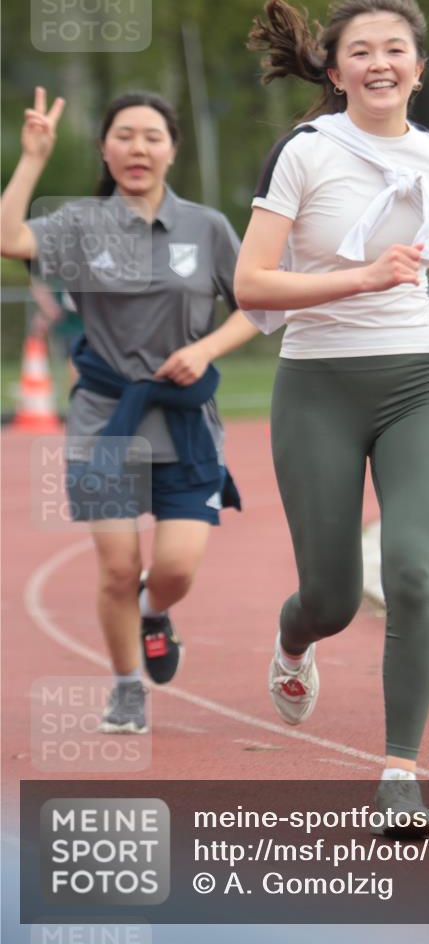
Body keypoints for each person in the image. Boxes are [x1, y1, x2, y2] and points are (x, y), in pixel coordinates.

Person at [235, 0, 429, 834]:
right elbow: (251, 285)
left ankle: (400, 769)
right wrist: (356, 276)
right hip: (316, 386)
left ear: (418, 70)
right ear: (334, 67)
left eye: (395, 48)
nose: (379, 62)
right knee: (331, 598)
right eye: (360, 49)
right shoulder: (305, 152)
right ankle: (293, 641)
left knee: (414, 576)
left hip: (412, 388)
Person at [1, 87, 257, 733]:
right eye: (124, 135)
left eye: (152, 136)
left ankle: (154, 612)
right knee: (117, 568)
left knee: (173, 568)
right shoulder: (80, 225)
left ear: (172, 149)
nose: (138, 147)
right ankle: (125, 688)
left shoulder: (207, 227)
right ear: (105, 148)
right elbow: (9, 239)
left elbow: (259, 305)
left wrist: (205, 349)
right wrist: (31, 159)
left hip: (184, 423)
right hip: (103, 421)